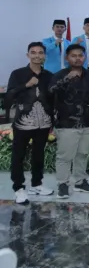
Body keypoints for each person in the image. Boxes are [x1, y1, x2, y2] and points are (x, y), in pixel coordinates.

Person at [48, 44, 89, 199]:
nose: (77, 58)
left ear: (85, 57)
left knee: (82, 154)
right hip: (66, 123)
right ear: (67, 58)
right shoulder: (59, 75)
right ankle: (62, 184)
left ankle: (80, 181)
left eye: (80, 55)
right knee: (65, 156)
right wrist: (66, 79)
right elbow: (50, 92)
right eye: (73, 56)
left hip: (88, 122)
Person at [6, 42, 54, 204]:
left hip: (44, 122)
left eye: (40, 52)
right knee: (18, 155)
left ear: (44, 56)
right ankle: (18, 188)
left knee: (39, 155)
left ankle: (37, 184)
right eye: (33, 52)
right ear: (28, 55)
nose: (37, 55)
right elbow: (9, 96)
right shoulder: (18, 74)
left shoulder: (49, 76)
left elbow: (53, 99)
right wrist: (26, 85)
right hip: (23, 122)